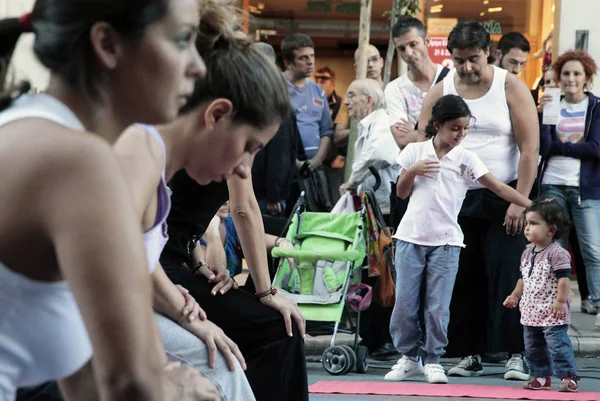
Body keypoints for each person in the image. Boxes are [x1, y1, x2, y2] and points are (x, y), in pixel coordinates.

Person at [0, 1, 210, 400]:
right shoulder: (79, 161)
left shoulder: (34, 129)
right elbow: (132, 385)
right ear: (108, 45)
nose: (198, 67)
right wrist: (178, 389)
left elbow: (86, 381)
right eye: (182, 40)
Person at [153, 34, 309, 401]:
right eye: (249, 149)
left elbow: (157, 235)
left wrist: (199, 267)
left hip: (170, 270)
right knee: (226, 362)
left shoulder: (160, 156)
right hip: (146, 282)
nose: (242, 168)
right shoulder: (144, 150)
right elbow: (132, 256)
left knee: (273, 330)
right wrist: (188, 314)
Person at [419, 20, 539, 380]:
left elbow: (530, 148)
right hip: (456, 197)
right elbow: (425, 137)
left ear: (489, 52)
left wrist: (521, 200)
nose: (467, 67)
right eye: (459, 61)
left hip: (505, 193)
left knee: (508, 271)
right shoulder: (442, 89)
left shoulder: (510, 86)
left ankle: (515, 352)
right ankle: (466, 352)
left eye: (473, 58)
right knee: (460, 275)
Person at [384, 95, 532, 384]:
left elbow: (499, 187)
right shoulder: (414, 151)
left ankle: (433, 359)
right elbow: (401, 193)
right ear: (437, 125)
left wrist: (530, 205)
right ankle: (409, 358)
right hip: (410, 239)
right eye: (454, 128)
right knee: (404, 304)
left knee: (438, 306)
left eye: (465, 128)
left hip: (447, 242)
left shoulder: (466, 158)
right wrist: (413, 171)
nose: (461, 134)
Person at [538, 50, 600, 329]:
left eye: (577, 73)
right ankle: (554, 302)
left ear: (587, 77)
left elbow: (596, 148)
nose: (571, 79)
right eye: (566, 73)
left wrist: (564, 147)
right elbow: (546, 146)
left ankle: (596, 303)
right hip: (552, 183)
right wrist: (543, 112)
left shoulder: (597, 107)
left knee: (593, 250)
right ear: (559, 77)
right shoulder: (552, 104)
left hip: (585, 188)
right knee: (554, 248)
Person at [504, 199, 579, 392]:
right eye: (527, 223)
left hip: (552, 310)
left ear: (551, 229)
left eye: (534, 223)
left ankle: (568, 376)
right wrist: (515, 295)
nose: (527, 228)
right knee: (533, 346)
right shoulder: (527, 252)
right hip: (531, 309)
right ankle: (541, 376)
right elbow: (523, 278)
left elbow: (563, 280)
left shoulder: (558, 253)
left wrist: (561, 301)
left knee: (557, 345)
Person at [251, 42, 301, 218]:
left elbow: (279, 153)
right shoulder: (266, 93)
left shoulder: (271, 97)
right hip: (258, 191)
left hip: (267, 195)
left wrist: (274, 195)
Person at [385, 16, 449, 150]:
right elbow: (402, 140)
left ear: (427, 41)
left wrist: (417, 132)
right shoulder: (394, 88)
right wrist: (445, 130)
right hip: (416, 165)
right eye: (401, 48)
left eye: (413, 44)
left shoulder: (452, 78)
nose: (408, 53)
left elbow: (464, 130)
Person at [339, 78, 399, 219]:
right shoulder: (368, 125)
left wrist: (352, 182)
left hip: (385, 210)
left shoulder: (383, 123)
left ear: (369, 100)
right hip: (374, 206)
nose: (346, 102)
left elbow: (377, 154)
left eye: (352, 95)